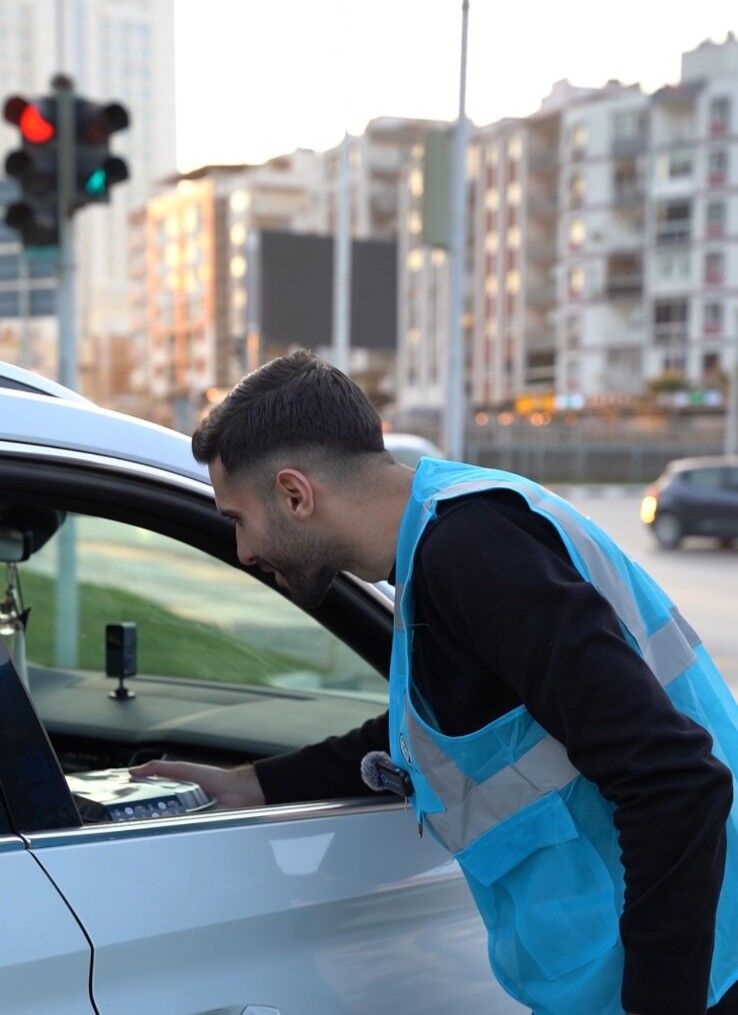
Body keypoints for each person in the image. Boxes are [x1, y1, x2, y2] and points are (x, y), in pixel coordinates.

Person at [133, 350, 738, 1015]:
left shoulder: (472, 553)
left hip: (698, 976)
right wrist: (256, 783)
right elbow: (441, 730)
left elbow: (676, 778)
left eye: (237, 519)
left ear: (295, 494)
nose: (244, 551)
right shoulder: (441, 539)